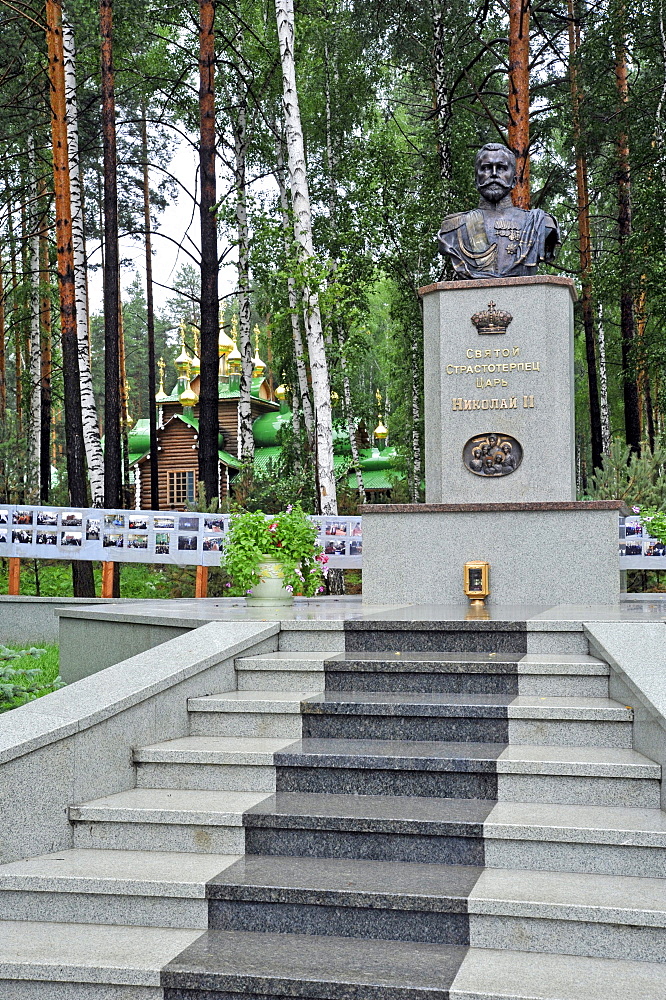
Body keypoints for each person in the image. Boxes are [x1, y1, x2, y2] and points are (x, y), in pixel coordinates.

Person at [438, 143, 559, 279]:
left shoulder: (541, 224)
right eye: (486, 168)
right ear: (476, 180)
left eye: (501, 168)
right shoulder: (453, 227)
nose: (494, 174)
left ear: (513, 181)